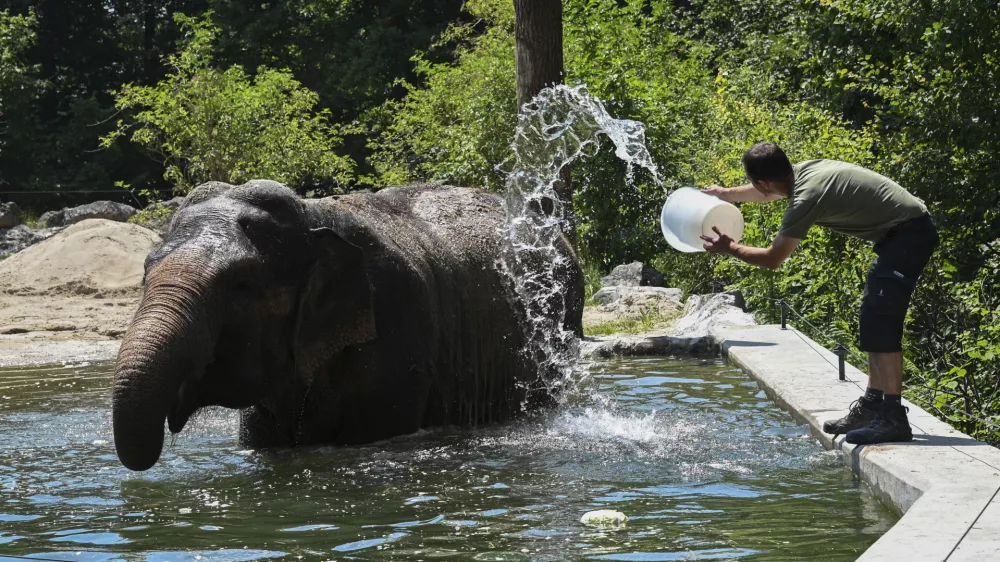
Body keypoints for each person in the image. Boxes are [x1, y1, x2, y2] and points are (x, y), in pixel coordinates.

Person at [701, 142, 939, 445]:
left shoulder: (806, 197)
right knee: (872, 318)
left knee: (881, 319)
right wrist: (724, 194)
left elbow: (773, 258)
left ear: (763, 182)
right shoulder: (802, 172)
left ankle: (893, 418)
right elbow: (762, 191)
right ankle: (873, 405)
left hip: (909, 235)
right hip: (904, 233)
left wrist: (730, 247)